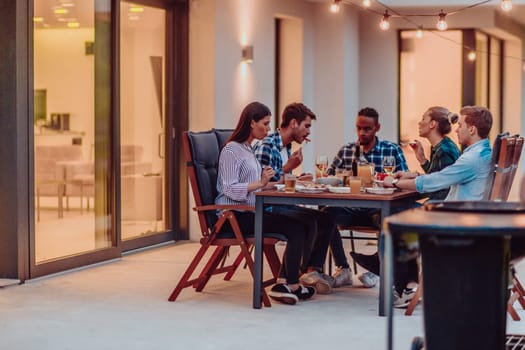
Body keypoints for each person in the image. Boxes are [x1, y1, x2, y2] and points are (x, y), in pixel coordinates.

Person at [384, 105, 493, 304]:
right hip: (465, 215)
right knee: (400, 212)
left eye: (460, 125)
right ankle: (409, 285)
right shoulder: (484, 152)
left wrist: (394, 182)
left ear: (472, 129)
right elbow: (439, 177)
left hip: (457, 220)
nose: (456, 129)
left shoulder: (473, 158)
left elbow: (434, 182)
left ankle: (404, 285)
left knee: (395, 219)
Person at [216, 101, 315, 305]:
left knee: (305, 223)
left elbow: (256, 186)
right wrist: (261, 182)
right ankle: (289, 284)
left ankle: (286, 282)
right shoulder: (231, 150)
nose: (269, 129)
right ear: (252, 123)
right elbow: (228, 188)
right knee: (296, 227)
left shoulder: (248, 149)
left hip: (251, 210)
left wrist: (269, 184)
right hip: (234, 215)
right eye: (266, 123)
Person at [254, 102, 349, 293]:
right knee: (309, 221)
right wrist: (289, 169)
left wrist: (296, 178)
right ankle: (298, 276)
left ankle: (309, 270)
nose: (308, 133)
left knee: (327, 216)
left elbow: (279, 179)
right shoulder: (267, 146)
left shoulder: (285, 147)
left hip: (282, 203)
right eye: (307, 126)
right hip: (268, 208)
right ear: (294, 123)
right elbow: (260, 184)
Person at [324, 107, 409, 289]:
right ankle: (343, 268)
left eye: (367, 128)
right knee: (326, 214)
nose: (362, 132)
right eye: (359, 128)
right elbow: (329, 178)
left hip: (376, 209)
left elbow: (404, 178)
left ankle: (377, 267)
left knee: (387, 217)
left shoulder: (391, 150)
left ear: (377, 127)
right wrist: (341, 178)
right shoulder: (347, 151)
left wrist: (389, 181)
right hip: (351, 208)